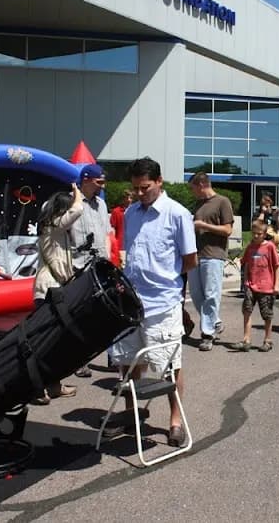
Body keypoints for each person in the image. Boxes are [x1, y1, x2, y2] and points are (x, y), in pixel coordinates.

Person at [109, 158, 198, 447]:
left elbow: (190, 260)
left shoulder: (178, 214)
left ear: (159, 181)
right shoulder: (132, 213)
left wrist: (166, 280)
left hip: (163, 304)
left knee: (170, 365)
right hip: (132, 301)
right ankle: (131, 415)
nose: (138, 193)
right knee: (127, 361)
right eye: (135, 188)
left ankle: (174, 421)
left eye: (144, 187)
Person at [30, 185, 84, 405]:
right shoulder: (53, 226)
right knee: (45, 343)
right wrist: (76, 192)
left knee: (56, 343)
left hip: (54, 288)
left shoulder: (52, 228)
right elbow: (78, 210)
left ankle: (53, 385)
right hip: (49, 290)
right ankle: (37, 388)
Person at [71, 163, 112, 377]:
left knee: (105, 313)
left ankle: (113, 357)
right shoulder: (71, 202)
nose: (102, 186)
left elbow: (107, 234)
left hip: (101, 266)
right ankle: (79, 361)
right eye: (99, 182)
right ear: (86, 180)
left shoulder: (101, 205)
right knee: (81, 316)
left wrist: (111, 259)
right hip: (78, 267)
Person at [187, 172, 234, 352]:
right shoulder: (199, 204)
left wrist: (204, 226)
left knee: (211, 294)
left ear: (201, 185)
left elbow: (228, 230)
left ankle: (207, 335)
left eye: (193, 188)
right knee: (197, 294)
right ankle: (215, 322)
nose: (192, 192)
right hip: (196, 255)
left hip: (214, 254)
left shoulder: (223, 202)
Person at [232, 219, 279, 352]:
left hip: (266, 287)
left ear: (264, 234)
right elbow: (246, 263)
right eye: (254, 233)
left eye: (259, 234)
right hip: (251, 285)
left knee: (267, 314)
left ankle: (268, 340)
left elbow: (276, 266)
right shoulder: (250, 247)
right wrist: (246, 282)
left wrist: (276, 285)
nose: (256, 236)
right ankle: (246, 339)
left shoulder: (270, 247)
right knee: (247, 310)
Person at [110, 189, 133, 267]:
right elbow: (112, 229)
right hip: (121, 246)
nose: (129, 200)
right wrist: (114, 245)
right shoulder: (116, 211)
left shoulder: (136, 211)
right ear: (123, 199)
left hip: (132, 246)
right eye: (127, 198)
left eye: (130, 198)